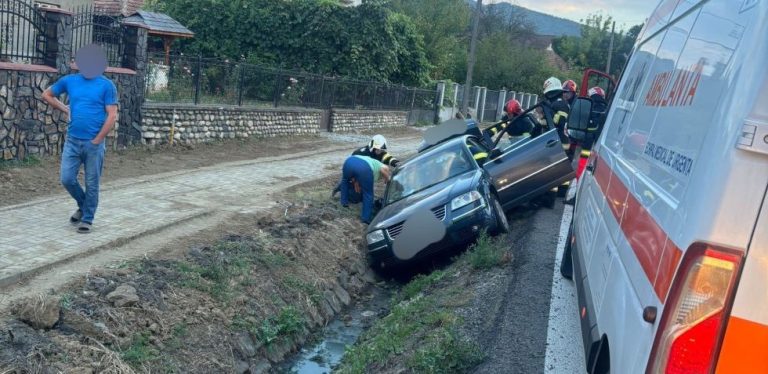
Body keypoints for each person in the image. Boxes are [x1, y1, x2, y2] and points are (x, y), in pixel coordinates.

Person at [42, 44, 118, 234]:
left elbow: (112, 115)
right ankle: (83, 205)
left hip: (94, 143)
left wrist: (98, 140)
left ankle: (87, 218)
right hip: (73, 141)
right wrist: (65, 108)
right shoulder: (69, 81)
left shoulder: (107, 85)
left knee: (92, 183)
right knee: (67, 178)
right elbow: (47, 94)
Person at [332, 135, 399, 199]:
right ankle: (340, 187)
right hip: (353, 172)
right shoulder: (360, 153)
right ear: (373, 147)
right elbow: (352, 167)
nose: (380, 151)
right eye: (379, 150)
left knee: (362, 193)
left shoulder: (381, 153)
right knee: (352, 188)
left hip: (366, 174)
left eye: (381, 150)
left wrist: (397, 163)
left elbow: (389, 158)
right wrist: (355, 181)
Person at [340, 155, 391, 224]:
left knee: (345, 181)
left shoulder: (373, 162)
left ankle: (344, 202)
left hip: (349, 161)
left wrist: (356, 183)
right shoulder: (383, 166)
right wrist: (388, 180)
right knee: (368, 194)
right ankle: (365, 218)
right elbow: (383, 169)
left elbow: (357, 175)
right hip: (364, 168)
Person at [540, 77, 572, 158]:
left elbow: (561, 121)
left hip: (560, 146)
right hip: (557, 144)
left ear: (551, 93)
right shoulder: (558, 103)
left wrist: (549, 113)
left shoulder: (559, 104)